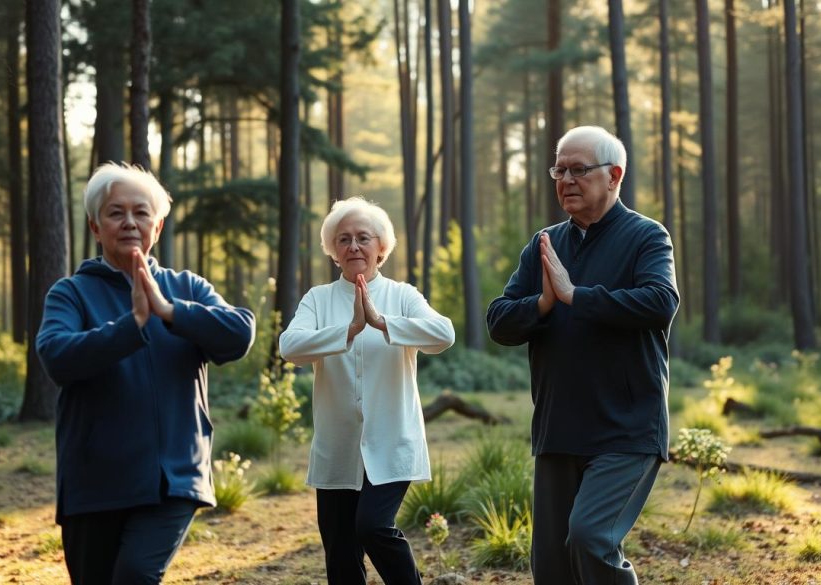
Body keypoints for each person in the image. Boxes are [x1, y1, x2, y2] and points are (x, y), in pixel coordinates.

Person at [36, 163, 256, 585]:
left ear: (157, 226)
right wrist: (131, 325)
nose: (130, 222)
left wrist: (171, 312)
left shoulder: (187, 288)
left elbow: (239, 333)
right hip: (94, 482)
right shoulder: (71, 293)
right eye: (116, 213)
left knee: (136, 575)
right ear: (95, 227)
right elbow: (56, 357)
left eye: (141, 212)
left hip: (172, 478)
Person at [485, 126, 679, 584]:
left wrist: (576, 294)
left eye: (579, 170)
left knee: (590, 538)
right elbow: (499, 321)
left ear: (614, 176)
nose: (566, 179)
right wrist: (543, 303)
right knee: (552, 567)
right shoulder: (545, 243)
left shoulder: (647, 237)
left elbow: (660, 301)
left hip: (627, 426)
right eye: (560, 169)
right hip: (558, 427)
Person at [279, 197, 455, 585]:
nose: (353, 246)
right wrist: (348, 330)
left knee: (372, 526)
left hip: (393, 442)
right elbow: (290, 346)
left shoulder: (403, 295)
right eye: (343, 239)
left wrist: (379, 321)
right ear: (333, 251)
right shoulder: (318, 299)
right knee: (340, 553)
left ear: (381, 248)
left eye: (363, 238)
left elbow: (444, 334)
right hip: (337, 447)